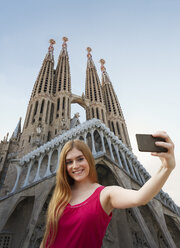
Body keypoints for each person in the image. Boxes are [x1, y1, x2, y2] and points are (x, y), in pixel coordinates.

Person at [40, 131, 175, 248]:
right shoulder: (61, 196)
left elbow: (140, 197)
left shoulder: (104, 194)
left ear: (89, 160)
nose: (75, 166)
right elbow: (48, 240)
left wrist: (166, 168)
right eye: (69, 162)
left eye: (80, 159)